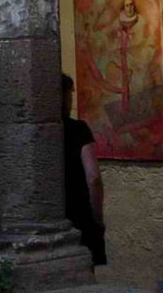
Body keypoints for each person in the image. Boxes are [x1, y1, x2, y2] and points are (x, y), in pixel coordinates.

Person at [61, 73, 106, 266]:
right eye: (70, 93)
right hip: (78, 212)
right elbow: (93, 176)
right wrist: (97, 216)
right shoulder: (77, 129)